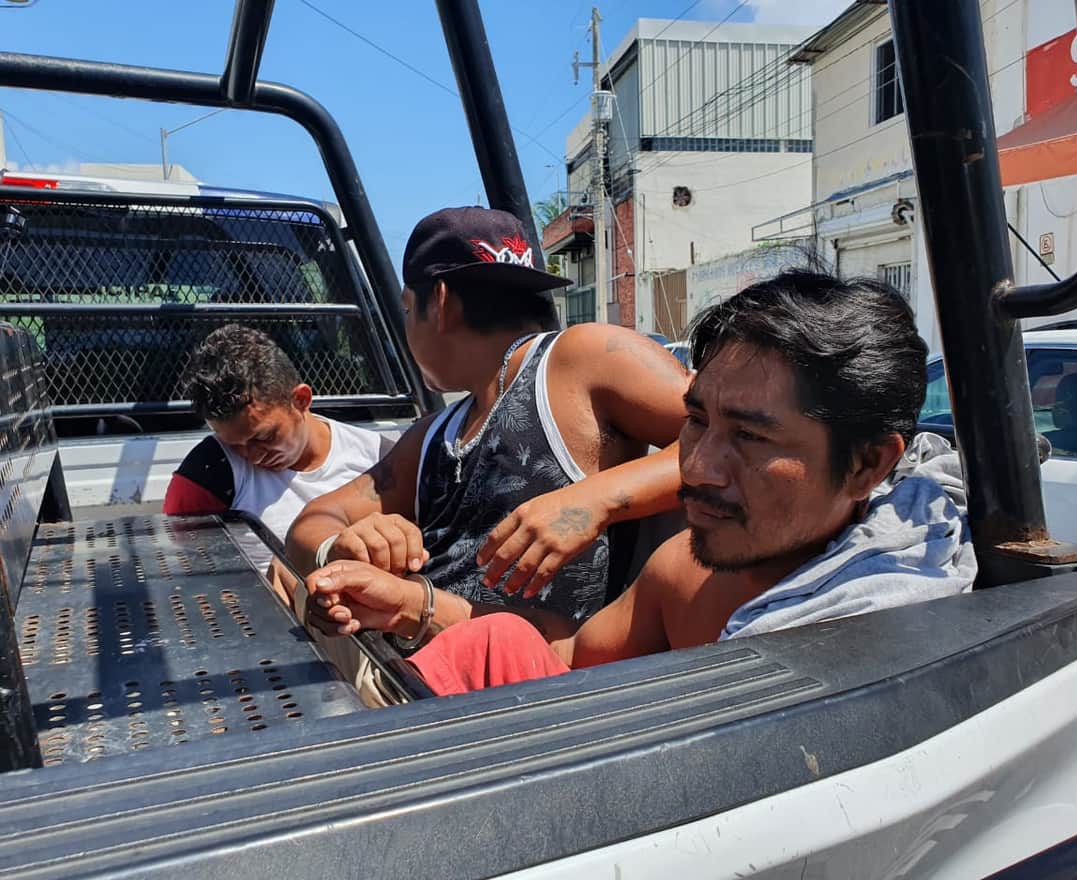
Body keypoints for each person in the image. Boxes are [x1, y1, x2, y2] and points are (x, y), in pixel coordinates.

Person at [303, 269, 979, 695]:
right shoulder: (683, 568)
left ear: (868, 465)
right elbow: (569, 655)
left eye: (749, 436)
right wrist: (408, 605)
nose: (699, 467)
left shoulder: (891, 641)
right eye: (694, 421)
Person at [286, 206, 689, 643]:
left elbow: (742, 442)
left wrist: (597, 499)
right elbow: (313, 522)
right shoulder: (434, 434)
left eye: (407, 308)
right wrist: (345, 545)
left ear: (439, 303)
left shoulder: (581, 357)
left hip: (526, 679)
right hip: (418, 661)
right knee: (285, 576)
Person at [163, 324, 389, 572]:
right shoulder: (207, 472)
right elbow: (186, 577)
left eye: (264, 437)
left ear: (301, 400)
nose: (252, 456)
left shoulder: (381, 457)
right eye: (234, 445)